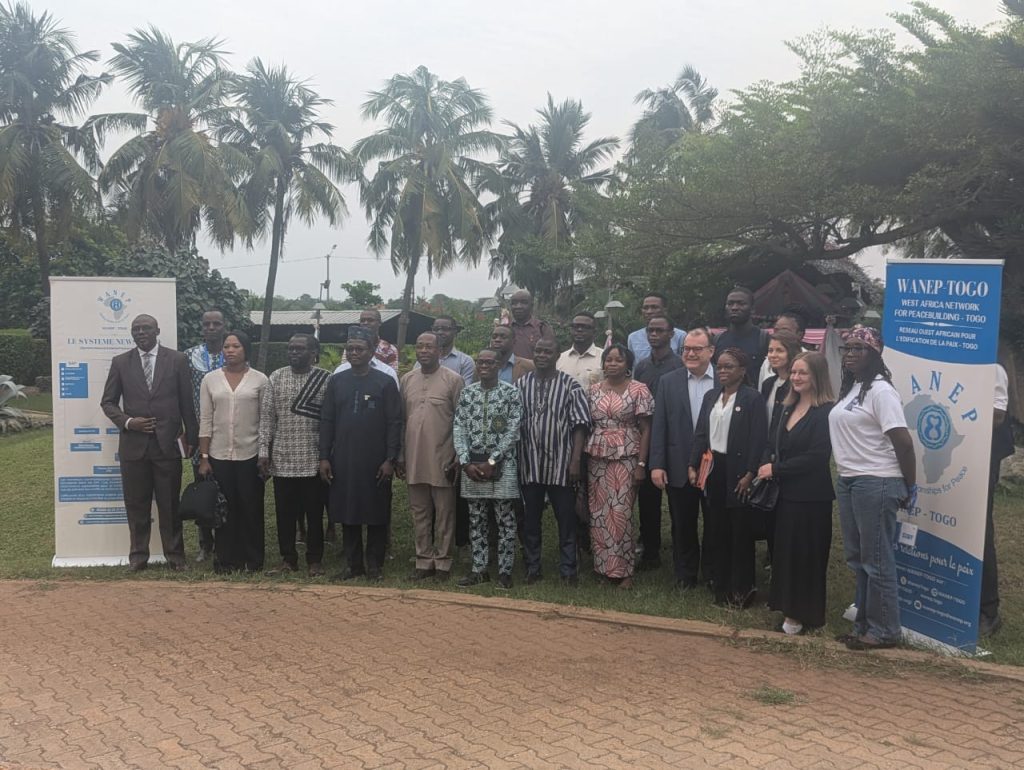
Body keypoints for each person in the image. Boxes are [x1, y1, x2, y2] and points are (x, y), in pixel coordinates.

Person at [829, 326, 916, 651]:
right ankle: (864, 625)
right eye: (847, 348)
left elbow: (903, 442)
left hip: (876, 481)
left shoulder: (881, 391)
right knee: (857, 558)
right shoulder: (853, 388)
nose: (850, 354)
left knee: (876, 560)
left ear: (875, 354)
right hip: (849, 480)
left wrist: (910, 485)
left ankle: (885, 631)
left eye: (859, 348)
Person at [101, 314, 197, 571]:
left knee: (169, 504)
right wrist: (129, 422)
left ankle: (175, 556)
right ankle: (138, 556)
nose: (140, 332)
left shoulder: (177, 360)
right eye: (136, 329)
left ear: (157, 330)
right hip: (134, 447)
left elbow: (187, 402)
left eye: (146, 328)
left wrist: (192, 437)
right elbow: (108, 402)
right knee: (136, 504)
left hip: (167, 445)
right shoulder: (120, 362)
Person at [756, 352, 835, 635]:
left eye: (803, 373)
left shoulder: (826, 412)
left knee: (806, 555)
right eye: (794, 372)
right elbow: (771, 442)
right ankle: (786, 607)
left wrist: (776, 469)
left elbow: (817, 456)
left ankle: (803, 614)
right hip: (784, 495)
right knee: (785, 553)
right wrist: (766, 462)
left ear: (817, 376)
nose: (796, 377)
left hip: (811, 498)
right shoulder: (786, 406)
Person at [319, 327, 402, 581]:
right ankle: (353, 565)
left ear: (371, 351)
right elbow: (327, 420)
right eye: (350, 349)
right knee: (348, 511)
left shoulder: (385, 382)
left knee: (377, 512)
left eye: (360, 349)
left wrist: (390, 459)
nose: (354, 353)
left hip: (376, 459)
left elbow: (394, 422)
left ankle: (375, 566)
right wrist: (324, 456)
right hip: (344, 457)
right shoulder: (337, 381)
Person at [689, 347, 767, 607]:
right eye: (720, 366)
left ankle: (742, 589)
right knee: (717, 529)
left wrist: (750, 473)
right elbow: (701, 433)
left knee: (740, 533)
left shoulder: (752, 398)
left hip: (739, 470)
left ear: (742, 371)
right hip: (714, 469)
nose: (722, 371)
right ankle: (720, 586)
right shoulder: (711, 396)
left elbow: (758, 439)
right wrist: (692, 464)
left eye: (728, 366)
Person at [517, 337, 591, 585]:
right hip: (530, 465)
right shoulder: (522, 384)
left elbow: (580, 425)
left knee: (566, 519)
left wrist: (575, 460)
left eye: (547, 351)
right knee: (531, 520)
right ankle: (532, 567)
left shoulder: (571, 385)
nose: (541, 355)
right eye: (538, 351)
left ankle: (568, 570)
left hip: (561, 466)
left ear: (557, 355)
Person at [258, 334, 331, 577]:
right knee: (285, 514)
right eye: (290, 348)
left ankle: (315, 560)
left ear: (313, 353)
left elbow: (330, 421)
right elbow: (267, 418)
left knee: (314, 513)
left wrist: (326, 456)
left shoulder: (325, 379)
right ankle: (288, 559)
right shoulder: (276, 377)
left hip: (313, 459)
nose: (294, 352)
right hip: (283, 458)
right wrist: (263, 452)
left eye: (300, 349)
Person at [650, 328, 717, 589]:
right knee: (682, 522)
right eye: (686, 349)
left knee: (714, 522)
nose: (690, 353)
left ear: (711, 351)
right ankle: (685, 574)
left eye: (697, 349)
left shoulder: (724, 379)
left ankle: (712, 572)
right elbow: (659, 425)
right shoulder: (668, 382)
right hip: (678, 463)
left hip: (714, 465)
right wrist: (657, 465)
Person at [197, 331, 268, 574]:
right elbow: (206, 419)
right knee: (225, 509)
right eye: (226, 346)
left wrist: (264, 453)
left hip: (250, 454)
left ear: (246, 349)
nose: (230, 350)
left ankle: (253, 560)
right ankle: (226, 560)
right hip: (219, 455)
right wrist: (204, 457)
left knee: (251, 507)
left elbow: (265, 420)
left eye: (236, 346)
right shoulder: (210, 379)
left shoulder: (260, 380)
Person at [586, 343, 654, 589]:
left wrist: (641, 464)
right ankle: (603, 568)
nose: (612, 364)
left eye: (618, 360)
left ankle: (624, 571)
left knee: (620, 513)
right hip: (597, 458)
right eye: (609, 360)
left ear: (628, 365)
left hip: (627, 457)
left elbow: (646, 429)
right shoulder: (592, 390)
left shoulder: (639, 389)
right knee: (599, 513)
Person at [453, 349, 523, 589]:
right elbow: (459, 427)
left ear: (499, 364)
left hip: (502, 465)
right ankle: (479, 569)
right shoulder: (467, 393)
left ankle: (505, 571)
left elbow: (513, 430)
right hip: (472, 466)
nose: (484, 366)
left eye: (489, 362)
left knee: (505, 520)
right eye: (480, 362)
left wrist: (492, 461)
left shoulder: (511, 393)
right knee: (476, 519)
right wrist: (465, 462)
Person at [399, 332, 464, 581]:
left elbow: (461, 421)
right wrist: (401, 455)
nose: (424, 350)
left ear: (439, 350)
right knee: (420, 512)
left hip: (443, 458)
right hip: (414, 458)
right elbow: (402, 420)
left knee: (445, 514)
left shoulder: (453, 380)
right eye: (419, 346)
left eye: (429, 346)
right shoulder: (407, 380)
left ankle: (443, 562)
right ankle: (423, 560)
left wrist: (458, 455)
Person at [632, 314, 684, 570]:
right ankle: (651, 552)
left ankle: (680, 553)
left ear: (671, 334)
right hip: (647, 438)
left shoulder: (679, 366)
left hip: (674, 439)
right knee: (648, 501)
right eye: (650, 330)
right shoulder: (642, 366)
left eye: (659, 330)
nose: (654, 335)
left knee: (677, 501)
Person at [184, 309, 227, 561]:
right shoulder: (189, 356)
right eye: (207, 324)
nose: (211, 328)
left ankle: (224, 540)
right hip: (200, 435)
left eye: (216, 324)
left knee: (225, 489)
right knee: (202, 488)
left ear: (224, 326)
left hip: (227, 435)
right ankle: (205, 543)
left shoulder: (233, 354)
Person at [758, 331, 803, 557]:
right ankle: (771, 554)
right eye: (770, 350)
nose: (773, 355)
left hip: (786, 456)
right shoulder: (768, 384)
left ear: (791, 353)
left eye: (779, 350)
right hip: (766, 452)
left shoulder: (797, 386)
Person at [981, 363, 1015, 636]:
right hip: (949, 453)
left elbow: (997, 415)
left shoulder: (992, 368)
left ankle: (988, 611)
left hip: (980, 455)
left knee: (979, 529)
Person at [713, 286, 769, 378]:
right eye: (730, 303)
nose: (734, 308)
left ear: (752, 309)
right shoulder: (717, 340)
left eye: (741, 304)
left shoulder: (764, 339)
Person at [627, 292, 686, 361]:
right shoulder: (633, 338)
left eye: (654, 307)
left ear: (665, 310)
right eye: (645, 308)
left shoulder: (680, 336)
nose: (649, 311)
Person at [416, 315, 475, 384]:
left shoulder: (465, 362)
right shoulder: (422, 360)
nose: (440, 332)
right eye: (436, 329)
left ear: (455, 332)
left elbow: (465, 389)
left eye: (445, 329)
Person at [757, 309, 809, 387]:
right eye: (776, 330)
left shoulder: (808, 360)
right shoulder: (768, 360)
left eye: (785, 330)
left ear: (800, 335)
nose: (779, 334)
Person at [557, 311, 604, 388]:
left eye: (585, 327)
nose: (579, 330)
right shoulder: (559, 359)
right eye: (575, 326)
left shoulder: (604, 358)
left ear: (594, 332)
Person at [507, 289, 553, 360]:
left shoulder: (542, 328)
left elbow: (551, 354)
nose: (518, 306)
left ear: (531, 305)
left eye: (524, 302)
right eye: (514, 303)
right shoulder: (506, 329)